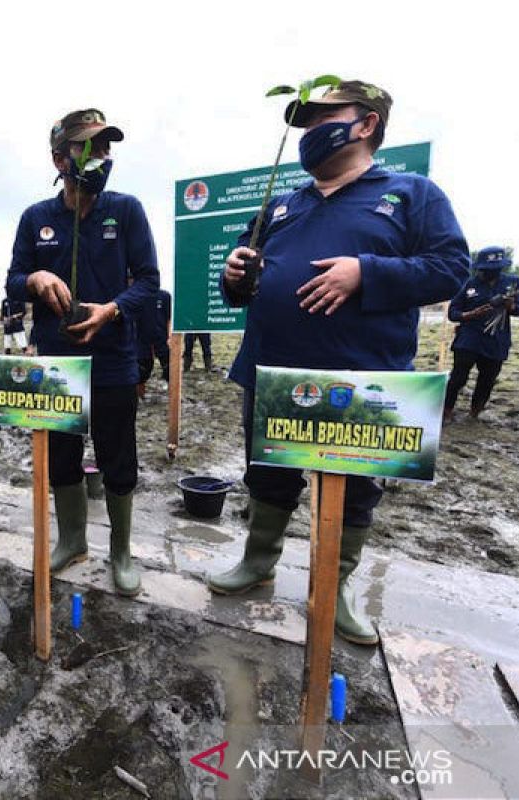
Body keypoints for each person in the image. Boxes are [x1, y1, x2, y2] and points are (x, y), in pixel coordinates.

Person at [209, 80, 470, 645]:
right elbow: (239, 289)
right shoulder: (282, 202)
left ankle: (335, 586)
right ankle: (259, 563)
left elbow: (451, 268)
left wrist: (366, 272)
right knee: (268, 476)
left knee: (353, 489)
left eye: (323, 117)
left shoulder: (411, 193)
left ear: (366, 124)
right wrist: (234, 275)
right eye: (303, 123)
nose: (309, 132)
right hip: (275, 373)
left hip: (363, 379)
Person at [7, 108, 160, 596]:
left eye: (106, 148)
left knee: (118, 458)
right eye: (86, 148)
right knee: (61, 458)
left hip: (113, 359)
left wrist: (112, 310)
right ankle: (71, 540)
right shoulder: (36, 218)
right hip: (57, 365)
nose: (99, 157)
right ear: (58, 157)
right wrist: (35, 277)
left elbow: (150, 284)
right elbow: (12, 283)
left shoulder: (127, 210)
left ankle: (121, 551)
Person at [443, 246, 519, 422]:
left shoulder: (514, 283)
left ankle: (475, 413)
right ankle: (446, 412)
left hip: (497, 339)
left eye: (494, 270)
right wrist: (471, 314)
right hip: (469, 338)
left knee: (487, 380)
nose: (489, 273)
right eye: (486, 270)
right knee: (458, 378)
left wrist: (510, 306)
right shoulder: (468, 284)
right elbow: (453, 313)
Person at [136, 286, 172, 396]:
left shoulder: (165, 296)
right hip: (142, 339)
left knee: (169, 368)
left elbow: (168, 318)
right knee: (142, 370)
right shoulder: (138, 297)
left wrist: (170, 336)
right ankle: (140, 395)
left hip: (161, 337)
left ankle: (173, 394)